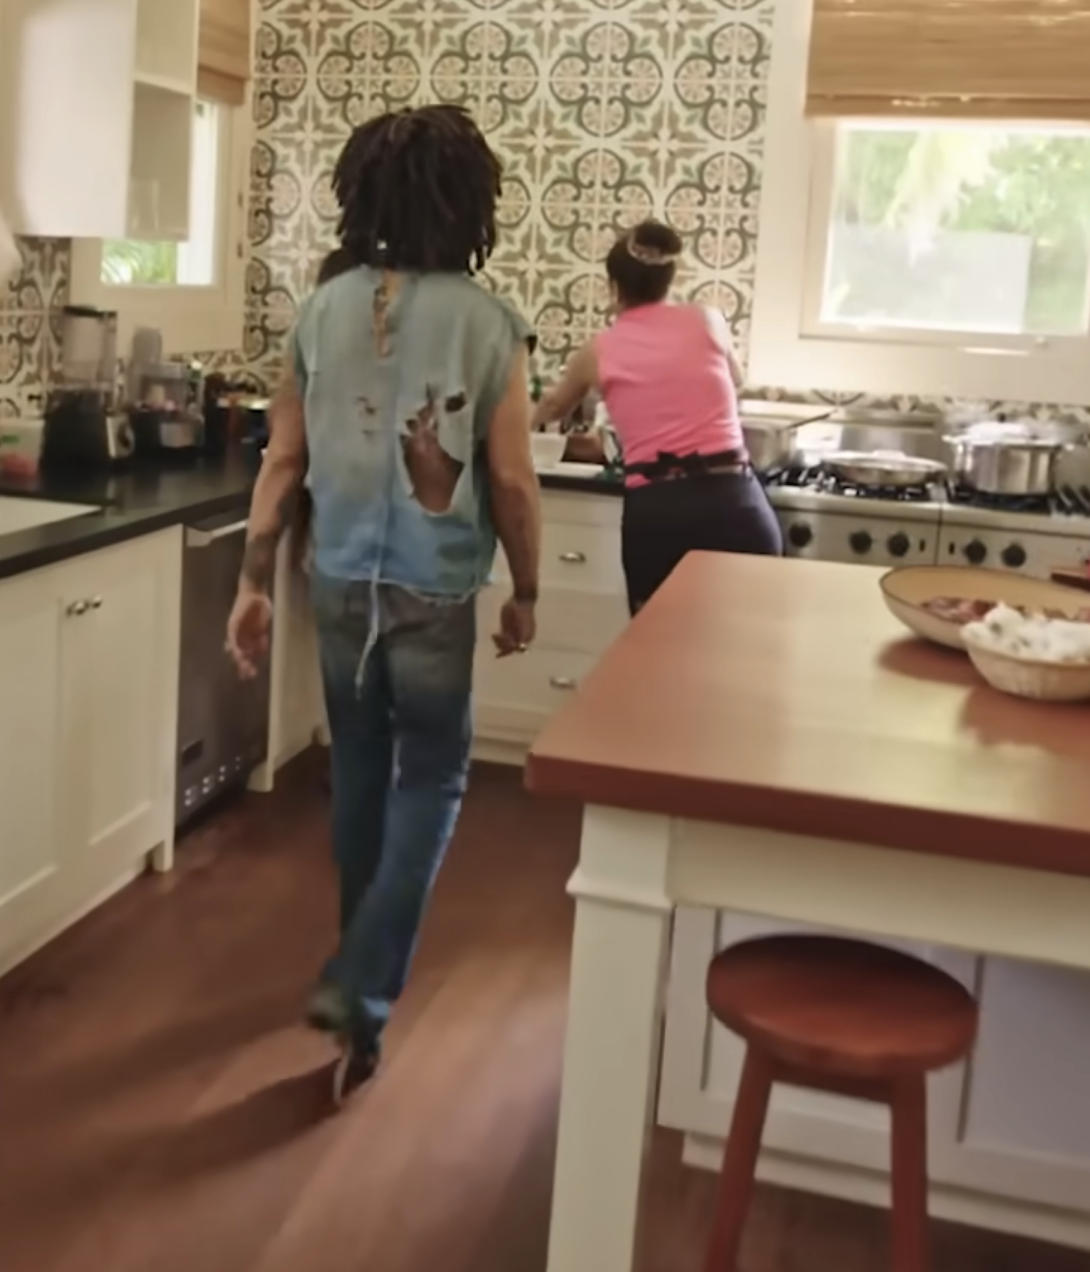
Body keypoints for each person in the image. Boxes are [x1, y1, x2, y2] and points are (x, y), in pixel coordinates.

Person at [224, 104, 542, 1105]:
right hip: (435, 588)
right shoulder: (489, 324)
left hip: (340, 583)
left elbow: (284, 458)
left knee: (359, 769)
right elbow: (516, 481)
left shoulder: (319, 314)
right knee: (436, 775)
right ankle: (364, 985)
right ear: (471, 204)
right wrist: (528, 589)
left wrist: (250, 580)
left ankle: (358, 998)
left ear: (360, 195)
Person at [533, 219, 780, 612]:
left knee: (658, 653)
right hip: (737, 504)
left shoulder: (599, 349)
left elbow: (551, 409)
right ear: (669, 281)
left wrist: (514, 426)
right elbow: (735, 379)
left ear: (614, 287)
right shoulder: (708, 320)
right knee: (743, 655)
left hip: (662, 513)